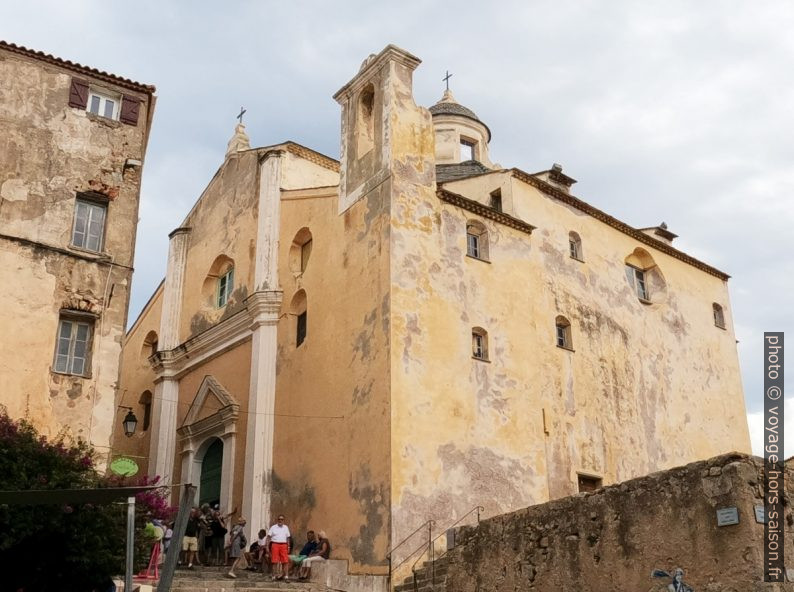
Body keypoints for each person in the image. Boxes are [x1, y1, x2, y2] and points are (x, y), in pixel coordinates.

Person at [266, 514, 292, 581]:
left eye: (282, 519)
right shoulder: (273, 527)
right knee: (274, 561)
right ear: (277, 520)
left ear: (284, 520)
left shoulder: (286, 527)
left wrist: (288, 547)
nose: (280, 520)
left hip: (283, 545)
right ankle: (274, 576)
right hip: (275, 544)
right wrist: (267, 546)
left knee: (285, 561)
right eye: (279, 519)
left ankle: (286, 576)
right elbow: (268, 537)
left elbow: (288, 538)